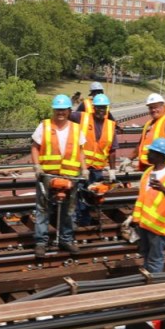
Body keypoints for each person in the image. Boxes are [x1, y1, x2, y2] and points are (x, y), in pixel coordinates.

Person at [31, 94, 87, 258]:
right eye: (57, 110)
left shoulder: (76, 129)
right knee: (43, 209)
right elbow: (35, 147)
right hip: (47, 174)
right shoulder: (45, 126)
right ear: (53, 111)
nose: (60, 113)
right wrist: (36, 166)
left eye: (63, 110)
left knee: (69, 210)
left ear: (69, 111)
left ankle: (66, 239)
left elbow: (81, 151)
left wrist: (84, 169)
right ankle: (41, 242)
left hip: (71, 175)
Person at [131, 137, 165, 273]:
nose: (148, 154)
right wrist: (135, 220)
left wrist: (163, 189)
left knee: (155, 260)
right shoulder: (148, 172)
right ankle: (148, 278)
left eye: (151, 152)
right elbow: (143, 197)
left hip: (158, 228)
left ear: (161, 155)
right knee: (146, 255)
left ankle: (155, 284)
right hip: (145, 224)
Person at [74, 93, 117, 226]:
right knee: (78, 196)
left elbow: (112, 150)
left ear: (107, 109)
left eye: (103, 108)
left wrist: (112, 170)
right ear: (94, 108)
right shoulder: (83, 117)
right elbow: (66, 113)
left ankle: (85, 223)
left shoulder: (110, 125)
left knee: (92, 198)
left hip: (97, 170)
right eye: (98, 108)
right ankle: (75, 223)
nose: (101, 110)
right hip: (81, 168)